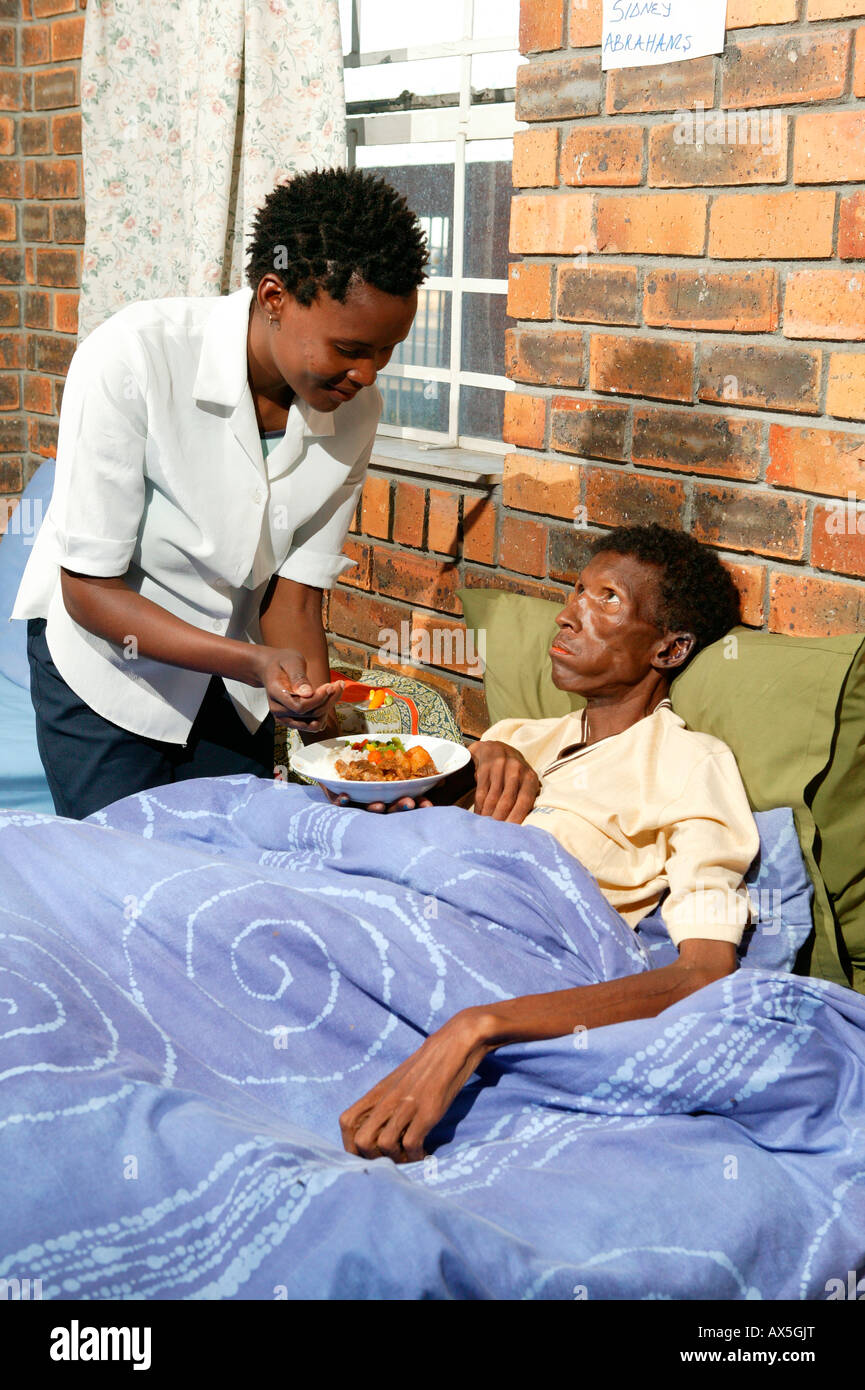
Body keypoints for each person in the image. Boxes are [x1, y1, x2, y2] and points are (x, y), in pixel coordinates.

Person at [337, 524, 762, 1163]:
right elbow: (395, 834)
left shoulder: (686, 764)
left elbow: (703, 973)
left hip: (493, 976)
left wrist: (479, 1026)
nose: (567, 616)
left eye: (607, 600)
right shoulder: (516, 735)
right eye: (574, 593)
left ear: (670, 650)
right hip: (377, 922)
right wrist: (471, 762)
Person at [12, 168, 426, 819]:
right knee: (125, 883)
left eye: (386, 350)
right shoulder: (133, 357)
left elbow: (293, 594)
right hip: (105, 670)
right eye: (349, 348)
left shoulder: (354, 409)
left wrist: (319, 724)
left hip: (236, 679)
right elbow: (89, 590)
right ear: (273, 295)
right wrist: (255, 661)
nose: (368, 374)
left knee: (234, 865)